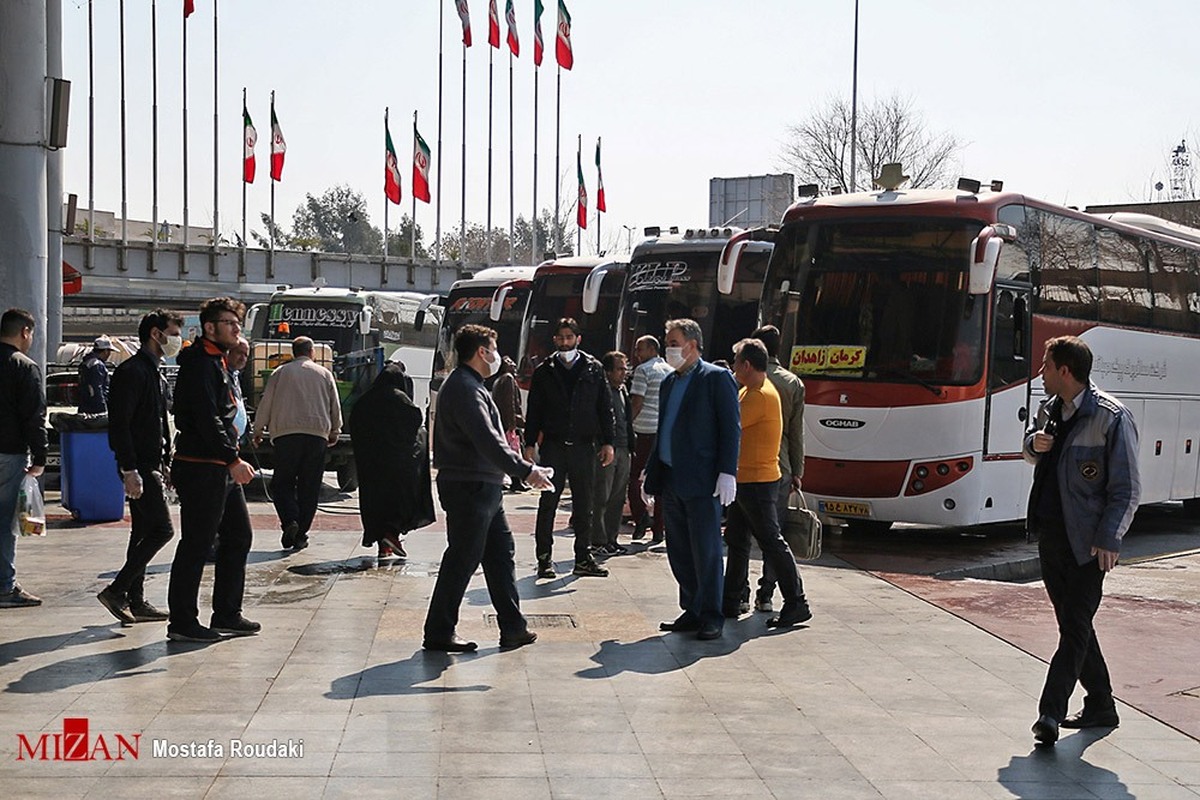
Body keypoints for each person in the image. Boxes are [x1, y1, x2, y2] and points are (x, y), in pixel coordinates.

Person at [1024, 335, 1139, 745]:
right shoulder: (1048, 410)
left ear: (1065, 371)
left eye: (1046, 366)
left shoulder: (1110, 417)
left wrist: (1110, 538)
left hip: (1089, 544)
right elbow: (1034, 452)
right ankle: (1102, 704)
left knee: (1073, 629)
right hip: (1051, 535)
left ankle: (1049, 713)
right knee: (1074, 623)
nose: (1041, 372)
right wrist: (1032, 445)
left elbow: (1127, 488)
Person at [423, 324, 553, 652]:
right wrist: (526, 471)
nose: (496, 355)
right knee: (463, 558)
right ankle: (439, 631)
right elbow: (488, 440)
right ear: (482, 351)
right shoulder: (465, 388)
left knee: (499, 555)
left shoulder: (473, 385)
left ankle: (513, 627)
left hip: (484, 486)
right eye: (493, 348)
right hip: (470, 485)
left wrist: (526, 469)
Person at [167, 297, 259, 642]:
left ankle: (227, 612)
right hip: (202, 465)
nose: (237, 329)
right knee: (197, 543)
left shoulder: (217, 361)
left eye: (237, 323)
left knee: (238, 536)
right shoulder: (201, 364)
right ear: (210, 327)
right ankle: (182, 621)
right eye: (229, 323)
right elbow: (207, 419)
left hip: (218, 464)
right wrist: (232, 459)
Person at [643, 318, 740, 641]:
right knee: (680, 550)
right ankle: (692, 607)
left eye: (673, 342)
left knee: (707, 550)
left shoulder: (716, 378)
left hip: (702, 480)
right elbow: (664, 429)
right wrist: (651, 470)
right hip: (672, 479)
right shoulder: (670, 382)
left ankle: (712, 613)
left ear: (692, 344)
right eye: (667, 341)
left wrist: (728, 471)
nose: (668, 347)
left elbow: (730, 427)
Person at [96, 310, 184, 624]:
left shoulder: (155, 372)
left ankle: (136, 599)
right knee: (162, 530)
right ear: (156, 334)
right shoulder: (132, 372)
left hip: (153, 463)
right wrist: (128, 469)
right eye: (173, 332)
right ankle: (117, 590)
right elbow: (120, 425)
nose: (177, 339)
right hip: (140, 467)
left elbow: (160, 424)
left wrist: (167, 462)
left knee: (142, 532)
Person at [721, 338, 811, 629]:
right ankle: (731, 599)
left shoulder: (759, 395)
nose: (734, 368)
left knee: (771, 541)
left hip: (758, 481)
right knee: (737, 540)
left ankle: (797, 602)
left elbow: (728, 427)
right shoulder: (751, 390)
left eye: (736, 363)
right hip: (745, 478)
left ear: (746, 365)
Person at [523, 318, 615, 579]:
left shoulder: (593, 369)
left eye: (569, 337)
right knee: (548, 503)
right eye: (561, 337)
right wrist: (530, 443)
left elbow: (604, 407)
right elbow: (535, 411)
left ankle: (583, 557)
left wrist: (608, 441)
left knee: (585, 503)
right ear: (555, 340)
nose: (565, 342)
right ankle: (544, 558)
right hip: (553, 446)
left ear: (578, 339)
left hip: (584, 446)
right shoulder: (544, 371)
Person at [252, 337, 342, 552]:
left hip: (286, 436)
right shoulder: (324, 374)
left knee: (282, 483)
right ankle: (301, 533)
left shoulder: (280, 373)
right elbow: (334, 404)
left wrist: (258, 430)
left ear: (294, 352)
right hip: (316, 436)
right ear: (311, 352)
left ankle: (290, 520)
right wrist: (335, 430)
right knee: (309, 487)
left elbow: (267, 402)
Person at [350, 362, 435, 559]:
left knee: (376, 504)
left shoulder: (366, 400)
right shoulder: (400, 399)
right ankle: (391, 536)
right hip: (397, 464)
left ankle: (384, 544)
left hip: (371, 465)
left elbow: (355, 424)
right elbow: (415, 422)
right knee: (398, 502)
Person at [750, 324, 807, 614]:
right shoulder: (792, 382)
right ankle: (766, 592)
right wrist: (798, 469)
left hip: (748, 466)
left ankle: (735, 592)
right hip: (781, 466)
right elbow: (797, 432)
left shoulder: (746, 378)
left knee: (741, 534)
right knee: (775, 533)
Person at [0, 309, 47, 608]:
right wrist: (40, 457)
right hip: (9, 453)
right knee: (5, 522)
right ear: (25, 332)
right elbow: (34, 418)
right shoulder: (23, 367)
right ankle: (5, 586)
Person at [628, 334, 672, 543]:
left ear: (652, 350)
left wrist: (626, 425)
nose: (637, 355)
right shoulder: (671, 371)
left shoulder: (643, 370)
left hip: (643, 430)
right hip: (663, 431)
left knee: (634, 477)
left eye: (640, 349)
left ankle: (641, 517)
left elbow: (637, 402)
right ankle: (659, 529)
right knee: (661, 479)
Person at [591, 351, 632, 556]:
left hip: (624, 449)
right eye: (619, 369)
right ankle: (598, 540)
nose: (624, 373)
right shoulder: (601, 391)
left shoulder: (623, 390)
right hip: (607, 449)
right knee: (602, 495)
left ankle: (611, 538)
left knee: (618, 497)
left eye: (625, 369)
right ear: (608, 371)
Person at [490, 355, 524, 458]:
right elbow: (510, 406)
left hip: (501, 427)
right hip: (508, 430)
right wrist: (512, 427)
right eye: (509, 363)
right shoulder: (508, 378)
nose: (514, 365)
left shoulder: (498, 381)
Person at [77, 335, 114, 414]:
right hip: (95, 408)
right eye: (109, 351)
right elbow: (97, 389)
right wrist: (102, 409)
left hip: (84, 405)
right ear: (106, 351)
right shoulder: (97, 365)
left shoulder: (86, 363)